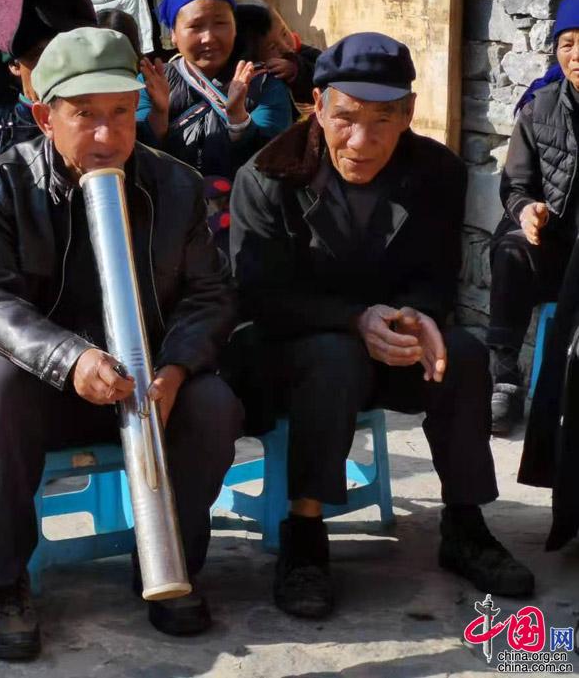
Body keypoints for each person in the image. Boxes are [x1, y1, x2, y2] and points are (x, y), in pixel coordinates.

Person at [0, 28, 241, 659]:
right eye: (84, 115)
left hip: (146, 387)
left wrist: (175, 369)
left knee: (214, 403)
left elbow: (209, 295)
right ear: (44, 117)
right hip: (45, 386)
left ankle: (168, 562)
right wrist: (72, 359)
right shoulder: (3, 185)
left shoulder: (175, 185)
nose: (107, 135)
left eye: (121, 112)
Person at [228, 33, 535, 620]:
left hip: (385, 347)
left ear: (409, 114)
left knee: (462, 356)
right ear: (318, 106)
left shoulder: (436, 172)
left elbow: (436, 275)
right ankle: (304, 536)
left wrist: (417, 316)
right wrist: (353, 319)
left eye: (382, 121)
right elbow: (260, 298)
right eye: (346, 119)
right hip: (286, 353)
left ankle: (465, 524)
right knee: (334, 357)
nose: (362, 142)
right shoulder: (268, 175)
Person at [488, 0, 579, 436]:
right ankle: (505, 378)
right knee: (511, 249)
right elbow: (516, 186)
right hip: (557, 250)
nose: (576, 55)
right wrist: (527, 212)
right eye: (567, 44)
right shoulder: (538, 108)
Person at [136, 0, 293, 181]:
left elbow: (273, 160)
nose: (209, 37)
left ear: (234, 26)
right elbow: (136, 156)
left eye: (220, 23)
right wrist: (159, 114)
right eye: (195, 26)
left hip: (240, 201)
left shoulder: (264, 84)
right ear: (173, 33)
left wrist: (239, 120)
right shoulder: (151, 84)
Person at [0, 0, 98, 187]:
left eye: (62, 53)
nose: (54, 66)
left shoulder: (95, 110)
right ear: (15, 65)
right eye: (39, 56)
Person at [234, 0, 320, 110]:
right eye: (272, 47)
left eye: (284, 33)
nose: (285, 47)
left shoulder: (306, 54)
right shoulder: (256, 82)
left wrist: (296, 71)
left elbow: (326, 75)